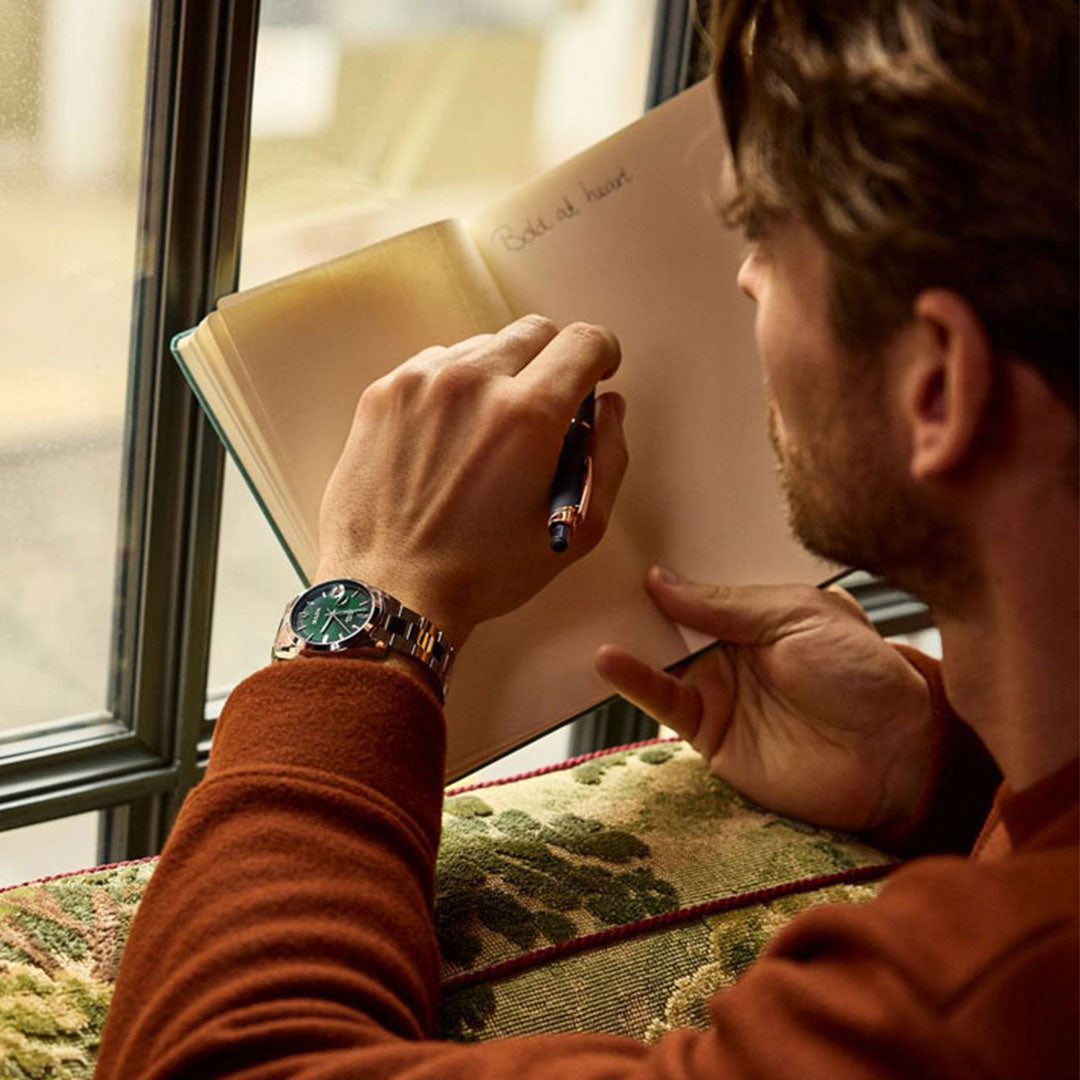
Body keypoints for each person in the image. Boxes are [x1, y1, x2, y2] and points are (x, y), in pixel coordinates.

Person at [94, 0, 1078, 1077]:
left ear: (937, 386)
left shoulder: (970, 1001)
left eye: (765, 235)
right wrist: (943, 769)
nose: (745, 278)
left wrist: (375, 603)